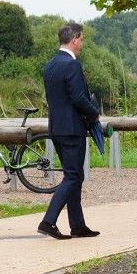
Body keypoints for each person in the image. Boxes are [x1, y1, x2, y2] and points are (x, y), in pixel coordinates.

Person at [37, 23, 101, 240]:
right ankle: (48, 222)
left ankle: (78, 225)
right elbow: (78, 97)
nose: (82, 44)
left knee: (74, 175)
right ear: (74, 39)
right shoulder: (72, 65)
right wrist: (94, 114)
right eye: (81, 39)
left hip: (56, 128)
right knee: (73, 176)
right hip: (72, 129)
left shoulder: (50, 65)